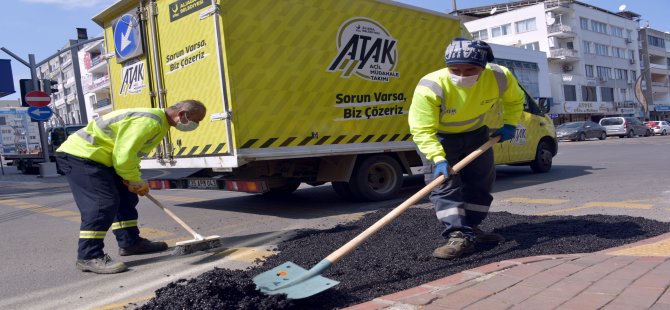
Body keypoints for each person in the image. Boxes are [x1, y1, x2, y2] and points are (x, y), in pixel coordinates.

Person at [55, 100, 207, 273]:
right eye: (197, 120)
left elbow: (132, 155)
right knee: (102, 204)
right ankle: (88, 256)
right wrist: (134, 180)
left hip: (103, 159)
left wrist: (134, 178)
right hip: (81, 156)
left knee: (126, 198)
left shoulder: (160, 122)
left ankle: (130, 243)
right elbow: (124, 156)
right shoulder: (149, 122)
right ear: (181, 115)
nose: (197, 125)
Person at [408, 38, 524, 260]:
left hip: (476, 133)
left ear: (483, 67)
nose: (462, 76)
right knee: (445, 185)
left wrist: (510, 124)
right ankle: (458, 234)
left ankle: (472, 228)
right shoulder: (432, 86)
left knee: (481, 180)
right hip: (439, 138)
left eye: (470, 69)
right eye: (455, 70)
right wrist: (437, 158)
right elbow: (422, 129)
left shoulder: (500, 77)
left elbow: (515, 101)